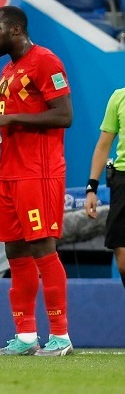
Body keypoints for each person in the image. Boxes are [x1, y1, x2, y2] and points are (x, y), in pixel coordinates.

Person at [0, 5, 74, 356]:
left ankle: (61, 336)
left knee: (42, 248)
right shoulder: (8, 70)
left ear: (16, 30)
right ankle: (24, 336)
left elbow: (65, 115)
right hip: (10, 172)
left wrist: (10, 120)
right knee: (15, 251)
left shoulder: (45, 61)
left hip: (39, 170)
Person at [83, 87, 125, 290]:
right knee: (123, 259)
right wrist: (91, 187)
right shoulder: (119, 97)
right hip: (122, 181)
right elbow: (103, 145)